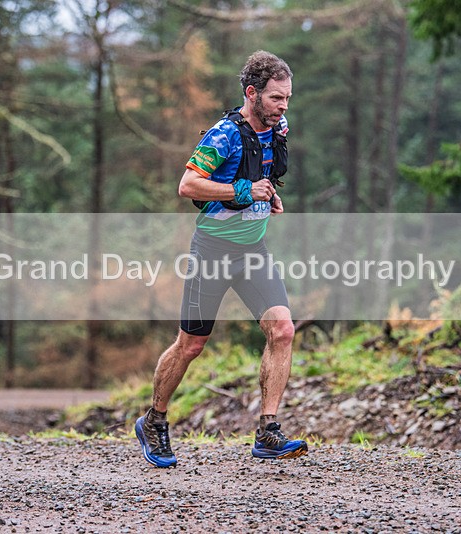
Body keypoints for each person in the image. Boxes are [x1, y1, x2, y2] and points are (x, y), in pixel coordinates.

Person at [135, 50, 307, 468]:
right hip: (212, 252)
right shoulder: (222, 135)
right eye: (276, 98)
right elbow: (188, 184)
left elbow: (260, 174)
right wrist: (244, 193)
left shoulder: (276, 127)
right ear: (252, 94)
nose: (284, 106)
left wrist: (267, 196)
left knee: (282, 330)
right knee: (191, 344)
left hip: (253, 250)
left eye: (287, 98)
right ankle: (154, 420)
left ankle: (268, 431)